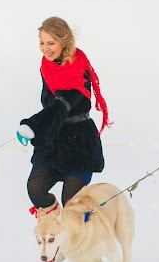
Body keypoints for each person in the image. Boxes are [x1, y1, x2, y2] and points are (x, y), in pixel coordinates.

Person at [16, 17, 111, 217]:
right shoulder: (47, 66)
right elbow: (50, 105)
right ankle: (55, 225)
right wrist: (41, 127)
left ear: (64, 42)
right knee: (35, 188)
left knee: (71, 205)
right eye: (42, 43)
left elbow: (62, 105)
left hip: (79, 142)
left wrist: (33, 125)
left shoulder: (78, 71)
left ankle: (77, 237)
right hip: (54, 139)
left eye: (51, 43)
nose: (45, 48)